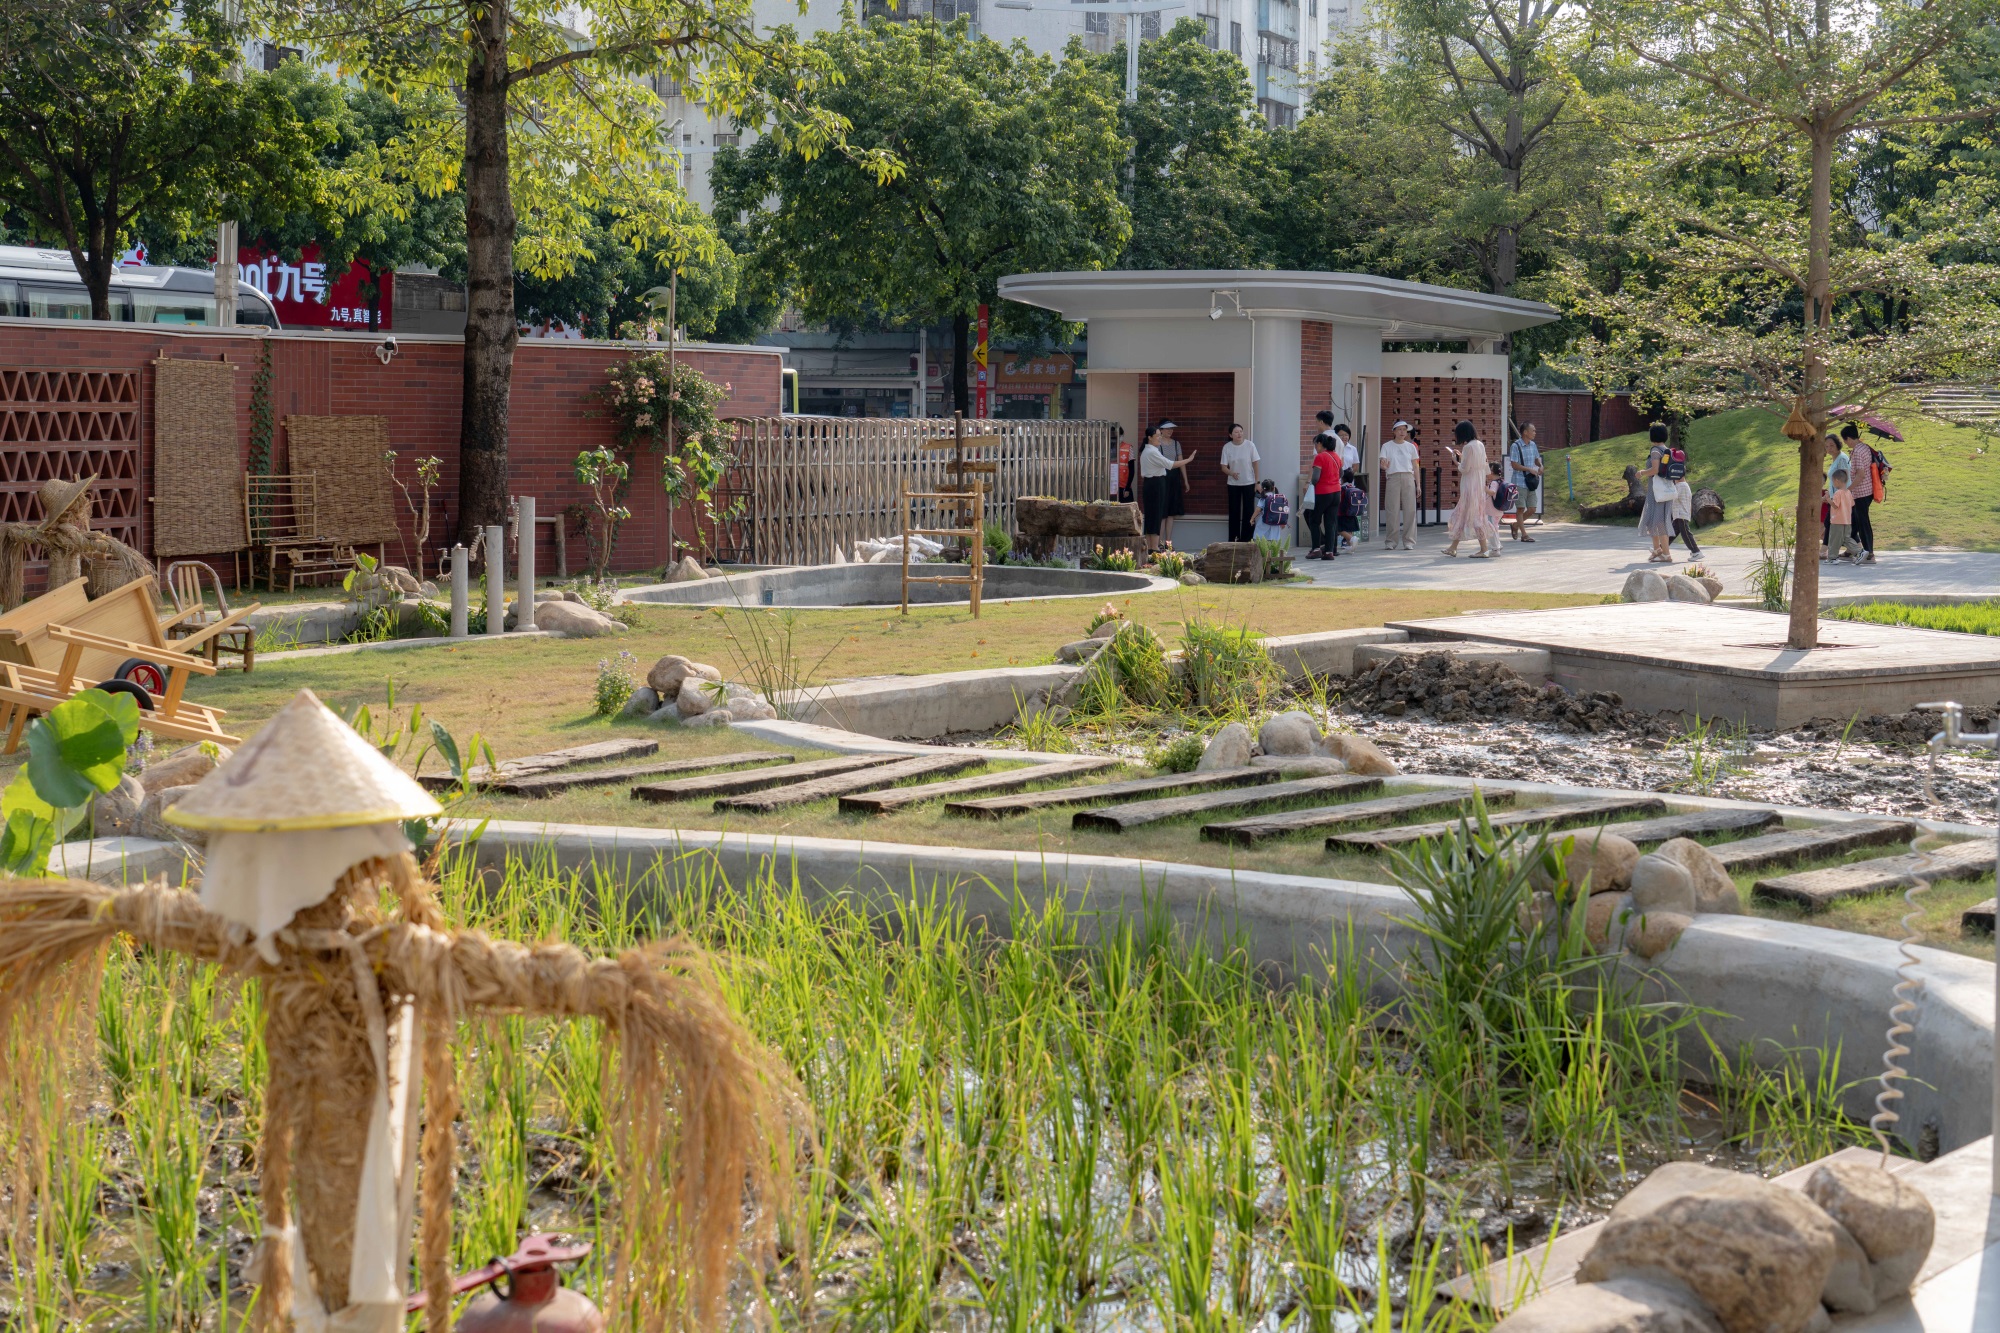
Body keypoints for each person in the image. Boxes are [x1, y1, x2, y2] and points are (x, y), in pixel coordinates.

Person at [1441, 420, 1500, 557]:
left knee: (1470, 516)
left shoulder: (1468, 447)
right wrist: (1463, 458)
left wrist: (1457, 461)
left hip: (1469, 485)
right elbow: (1485, 467)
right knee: (1469, 514)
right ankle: (1453, 547)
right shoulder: (1480, 445)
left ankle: (1484, 549)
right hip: (1478, 484)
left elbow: (1465, 469)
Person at [1637, 423, 1675, 563]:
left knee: (1656, 521)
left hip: (1656, 491)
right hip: (1666, 490)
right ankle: (1659, 551)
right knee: (1658, 521)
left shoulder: (1655, 451)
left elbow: (1655, 470)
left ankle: (1664, 553)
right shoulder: (1666, 450)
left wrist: (1641, 473)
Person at [1380, 419, 1419, 550]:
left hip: (1408, 477)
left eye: (1405, 430)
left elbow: (1415, 466)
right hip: (1393, 477)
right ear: (1394, 431)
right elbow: (1383, 463)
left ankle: (1409, 541)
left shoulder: (1411, 446)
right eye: (1400, 429)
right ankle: (1391, 541)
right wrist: (1384, 466)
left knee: (1410, 510)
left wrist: (1418, 484)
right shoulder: (1386, 446)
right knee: (1392, 510)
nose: (1403, 432)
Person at [1841, 423, 1877, 562]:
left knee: (1863, 523)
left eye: (1845, 441)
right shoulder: (1864, 447)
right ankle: (1851, 548)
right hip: (1867, 491)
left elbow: (1860, 474)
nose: (1846, 444)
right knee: (1854, 521)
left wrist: (1847, 490)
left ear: (1849, 438)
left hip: (1861, 492)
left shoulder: (1857, 451)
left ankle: (1869, 553)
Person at [1219, 423, 1261, 542]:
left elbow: (1256, 463)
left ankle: (1247, 539)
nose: (1239, 434)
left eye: (1241, 431)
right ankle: (1234, 539)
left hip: (1249, 482)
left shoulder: (1250, 445)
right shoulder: (1227, 447)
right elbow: (1223, 467)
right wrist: (1231, 473)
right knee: (1234, 512)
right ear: (1230, 435)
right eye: (1236, 432)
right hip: (1233, 484)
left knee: (1249, 511)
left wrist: (1257, 482)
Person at [1307, 431, 1343, 559]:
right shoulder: (1336, 456)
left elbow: (1315, 477)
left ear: (1320, 444)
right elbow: (1341, 474)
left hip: (1322, 492)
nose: (1315, 447)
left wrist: (1310, 484)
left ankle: (1316, 549)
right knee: (1330, 522)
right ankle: (1329, 552)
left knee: (1314, 520)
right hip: (1336, 492)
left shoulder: (1320, 457)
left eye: (1316, 444)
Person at [1504, 422, 1543, 542]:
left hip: (1530, 482)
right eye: (1533, 430)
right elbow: (1514, 465)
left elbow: (1537, 459)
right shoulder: (1516, 446)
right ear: (1525, 432)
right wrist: (1529, 469)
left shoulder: (1533, 445)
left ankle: (1515, 525)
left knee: (1532, 509)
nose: (1535, 433)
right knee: (1520, 508)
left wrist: (1540, 466)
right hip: (1519, 481)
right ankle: (1524, 535)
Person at [1136, 424, 1171, 553]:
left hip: (1151, 483)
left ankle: (1151, 546)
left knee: (1151, 514)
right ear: (1150, 437)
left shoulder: (1149, 450)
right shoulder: (1151, 451)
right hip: (1155, 483)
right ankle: (1154, 547)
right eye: (1158, 435)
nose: (1160, 438)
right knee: (1155, 514)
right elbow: (1169, 464)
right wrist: (1188, 460)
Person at [1330, 424, 1362, 549]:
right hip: (1336, 483)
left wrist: (1348, 475)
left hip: (1348, 484)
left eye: (1346, 435)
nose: (1344, 437)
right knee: (1339, 511)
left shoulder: (1352, 449)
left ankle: (1348, 539)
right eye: (1341, 435)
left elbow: (1356, 466)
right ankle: (1346, 538)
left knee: (1349, 511)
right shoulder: (1334, 448)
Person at [1158, 421, 1190, 545]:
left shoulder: (1176, 444)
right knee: (1162, 512)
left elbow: (1181, 462)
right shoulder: (1157, 443)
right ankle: (1159, 543)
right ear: (1161, 430)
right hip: (1162, 477)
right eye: (1167, 429)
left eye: (1171, 429)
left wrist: (1185, 480)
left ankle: (1168, 542)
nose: (1170, 431)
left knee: (1171, 512)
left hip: (1174, 478)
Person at [1826, 463, 1864, 562]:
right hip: (1847, 521)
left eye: (1833, 481)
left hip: (1837, 521)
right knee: (1847, 539)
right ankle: (1859, 551)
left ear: (1837, 481)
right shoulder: (1848, 493)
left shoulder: (1837, 493)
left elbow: (1835, 505)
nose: (1833, 484)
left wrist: (1828, 499)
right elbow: (1851, 504)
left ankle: (1832, 558)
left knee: (1834, 540)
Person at [1252, 478, 1291, 544]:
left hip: (1264, 523)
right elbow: (1283, 512)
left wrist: (1252, 518)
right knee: (1273, 544)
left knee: (1260, 540)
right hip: (1275, 524)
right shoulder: (1279, 498)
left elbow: (1258, 510)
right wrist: (1283, 522)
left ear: (1262, 488)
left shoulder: (1264, 498)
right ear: (1273, 488)